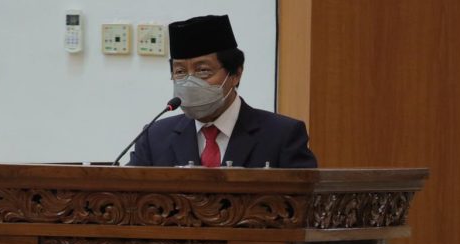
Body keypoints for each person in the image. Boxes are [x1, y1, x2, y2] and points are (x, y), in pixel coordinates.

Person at [127, 15, 317, 168]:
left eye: (203, 70)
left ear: (236, 74)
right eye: (180, 72)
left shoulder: (282, 135)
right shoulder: (154, 137)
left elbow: (306, 200)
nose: (190, 82)